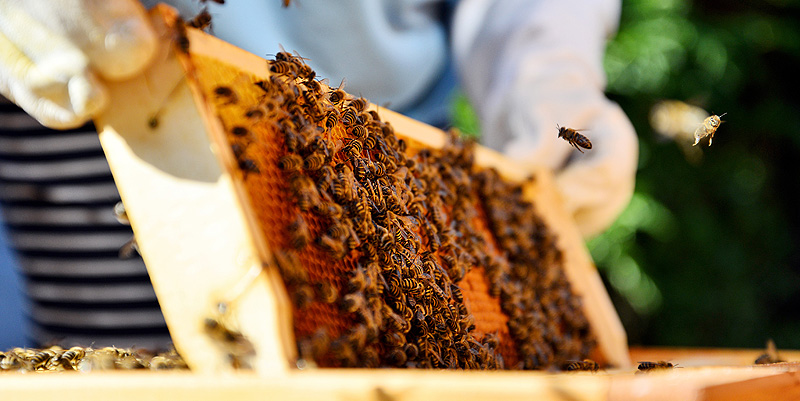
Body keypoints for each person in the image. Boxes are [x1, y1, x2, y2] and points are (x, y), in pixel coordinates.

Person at [0, 0, 637, 348]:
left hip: (382, 166)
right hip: (101, 111)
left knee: (400, 343)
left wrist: (542, 59)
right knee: (104, 368)